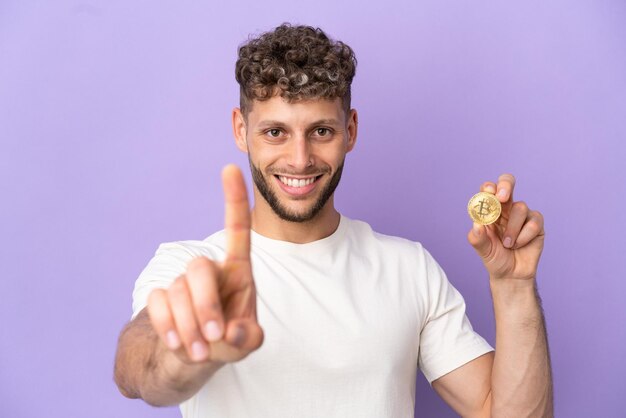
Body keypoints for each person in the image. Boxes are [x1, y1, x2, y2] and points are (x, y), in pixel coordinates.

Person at [113, 23, 553, 417]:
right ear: (241, 130)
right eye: (275, 132)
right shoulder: (189, 266)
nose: (300, 160)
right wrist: (194, 351)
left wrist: (513, 289)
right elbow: (138, 372)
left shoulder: (408, 268)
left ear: (351, 131)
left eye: (321, 131)